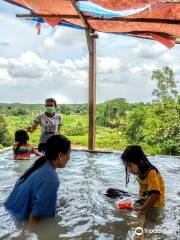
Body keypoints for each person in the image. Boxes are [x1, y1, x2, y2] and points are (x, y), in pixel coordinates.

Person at [4, 135, 71, 224]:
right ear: (60, 155)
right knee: (65, 203)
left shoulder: (40, 164)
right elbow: (34, 219)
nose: (69, 157)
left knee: (62, 202)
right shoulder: (51, 178)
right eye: (69, 153)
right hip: (18, 220)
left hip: (8, 211)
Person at [106, 145, 165, 214]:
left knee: (121, 210)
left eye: (130, 165)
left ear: (140, 162)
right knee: (110, 191)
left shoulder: (151, 172)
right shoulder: (140, 172)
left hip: (154, 205)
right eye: (126, 166)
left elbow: (155, 195)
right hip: (141, 199)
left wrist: (141, 210)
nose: (128, 169)